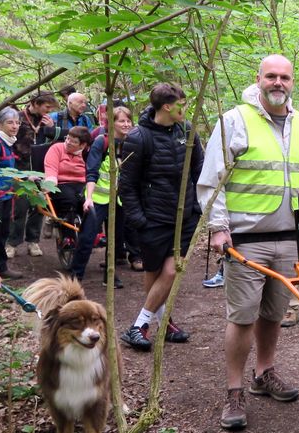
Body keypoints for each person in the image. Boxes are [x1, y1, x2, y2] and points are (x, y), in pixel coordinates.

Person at [197, 54, 299, 430]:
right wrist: (219, 228)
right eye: (271, 76)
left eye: (284, 77)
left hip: (291, 239)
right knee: (242, 316)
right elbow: (212, 180)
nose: (278, 83)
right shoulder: (234, 121)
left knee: (273, 313)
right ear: (258, 79)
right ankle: (233, 390)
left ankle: (264, 373)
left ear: (292, 82)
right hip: (246, 239)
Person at [119, 83, 203, 351]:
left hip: (185, 217)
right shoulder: (138, 137)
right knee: (154, 272)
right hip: (153, 218)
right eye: (182, 103)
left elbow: (200, 171)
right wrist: (139, 220)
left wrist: (199, 208)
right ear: (167, 106)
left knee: (172, 269)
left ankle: (139, 325)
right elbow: (127, 184)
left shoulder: (188, 131)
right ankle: (164, 323)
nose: (186, 108)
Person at [81, 106, 134, 289]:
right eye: (121, 121)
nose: (126, 124)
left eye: (128, 121)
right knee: (88, 238)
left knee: (116, 240)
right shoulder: (101, 142)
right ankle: (75, 276)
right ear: (111, 123)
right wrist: (88, 198)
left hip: (119, 200)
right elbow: (92, 171)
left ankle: (109, 276)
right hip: (98, 198)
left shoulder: (132, 143)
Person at [7, 91, 59, 259]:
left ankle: (33, 241)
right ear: (36, 103)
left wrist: (51, 127)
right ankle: (12, 243)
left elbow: (55, 143)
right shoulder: (18, 118)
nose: (49, 110)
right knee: (20, 207)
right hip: (20, 168)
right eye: (47, 106)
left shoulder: (47, 121)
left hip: (42, 168)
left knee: (40, 205)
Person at [43, 126, 99, 278]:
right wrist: (49, 185)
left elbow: (92, 172)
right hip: (60, 183)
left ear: (82, 145)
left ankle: (93, 233)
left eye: (73, 142)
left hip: (81, 183)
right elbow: (51, 170)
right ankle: (67, 237)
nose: (67, 142)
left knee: (90, 202)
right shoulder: (57, 148)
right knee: (70, 200)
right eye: (67, 138)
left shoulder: (87, 154)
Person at [0, 108, 25, 279]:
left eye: (17, 123)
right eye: (10, 122)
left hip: (6, 195)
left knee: (3, 232)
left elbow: (9, 170)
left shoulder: (8, 142)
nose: (15, 126)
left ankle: (1, 267)